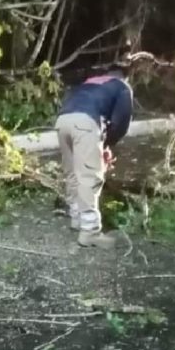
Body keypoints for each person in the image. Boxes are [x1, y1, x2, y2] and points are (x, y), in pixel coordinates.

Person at [55, 59, 138, 249]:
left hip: (63, 121)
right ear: (124, 76)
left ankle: (77, 218)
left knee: (72, 172)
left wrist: (101, 144)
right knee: (89, 176)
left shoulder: (91, 82)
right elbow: (121, 123)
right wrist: (107, 145)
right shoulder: (122, 86)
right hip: (85, 123)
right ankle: (90, 232)